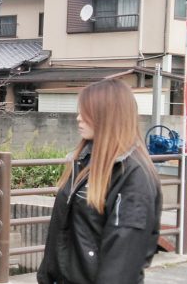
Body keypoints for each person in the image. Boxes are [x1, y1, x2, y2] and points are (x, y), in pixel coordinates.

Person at [36, 79, 163, 284]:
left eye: (86, 112)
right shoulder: (85, 161)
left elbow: (123, 260)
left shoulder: (133, 175)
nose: (78, 118)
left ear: (108, 115)